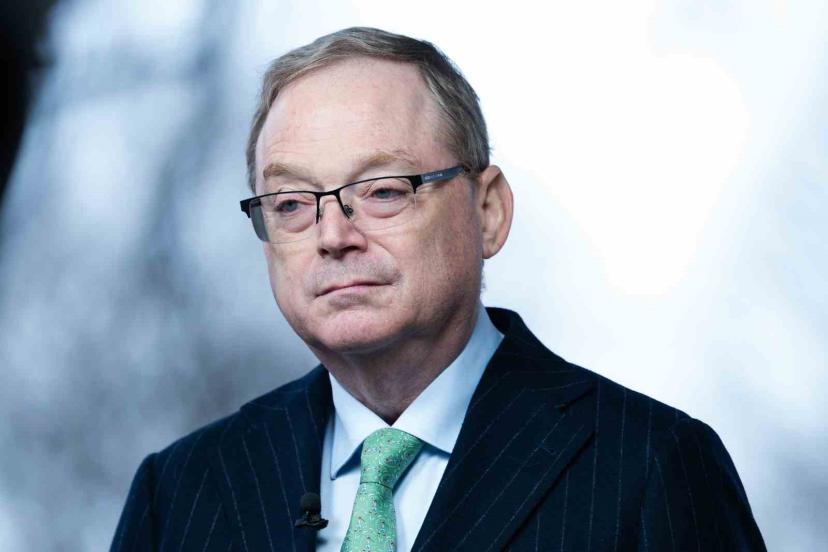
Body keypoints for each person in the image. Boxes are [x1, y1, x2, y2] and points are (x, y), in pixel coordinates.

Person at [111, 27, 766, 551]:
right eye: (290, 204)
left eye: (383, 191)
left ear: (488, 212)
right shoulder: (180, 491)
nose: (332, 235)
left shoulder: (650, 464)